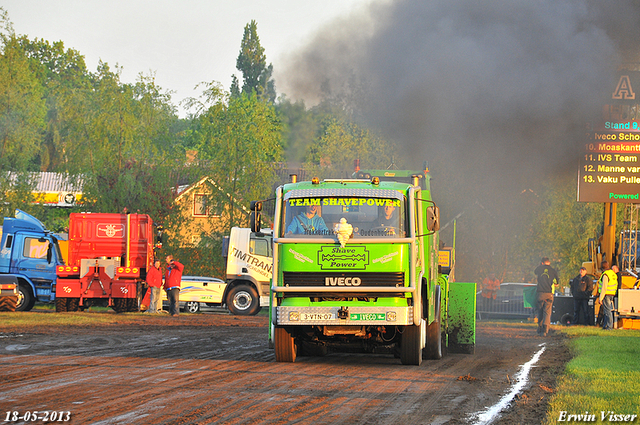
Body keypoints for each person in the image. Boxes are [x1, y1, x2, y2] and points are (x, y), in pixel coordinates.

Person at [534, 257, 559, 336]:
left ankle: (539, 328)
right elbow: (557, 282)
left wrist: (540, 265)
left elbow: (535, 272)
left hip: (540, 293)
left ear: (542, 263)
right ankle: (545, 330)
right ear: (549, 262)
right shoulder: (553, 270)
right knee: (547, 312)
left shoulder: (539, 269)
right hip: (549, 293)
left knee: (540, 311)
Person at [597, 261, 618, 330]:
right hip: (612, 294)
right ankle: (605, 326)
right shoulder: (613, 273)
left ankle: (609, 326)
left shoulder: (605, 275)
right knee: (607, 311)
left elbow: (604, 287)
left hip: (606, 294)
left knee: (607, 311)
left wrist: (601, 298)